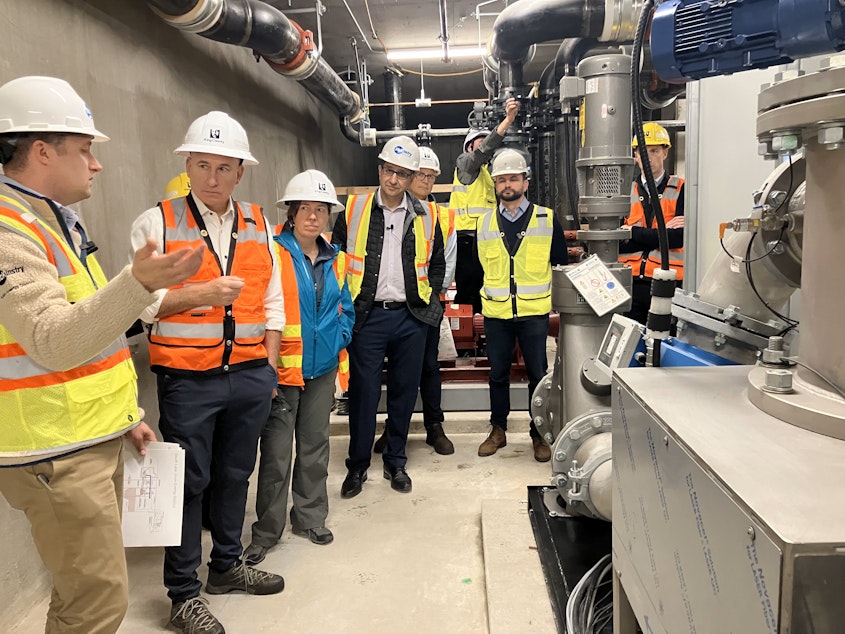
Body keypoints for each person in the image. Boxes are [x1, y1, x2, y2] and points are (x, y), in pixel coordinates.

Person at [0, 75, 203, 633]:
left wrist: (125, 420)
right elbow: (53, 338)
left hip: (85, 436)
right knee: (95, 605)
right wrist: (137, 282)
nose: (97, 165)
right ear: (42, 151)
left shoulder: (55, 223)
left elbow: (96, 331)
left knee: (83, 597)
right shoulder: (7, 229)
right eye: (85, 150)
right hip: (53, 449)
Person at [130, 111, 285, 633]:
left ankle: (226, 565)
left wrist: (267, 359)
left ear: (240, 171)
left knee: (235, 476)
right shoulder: (157, 222)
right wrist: (200, 294)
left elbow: (273, 297)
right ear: (187, 165)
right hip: (188, 381)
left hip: (247, 374)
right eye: (202, 165)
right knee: (188, 484)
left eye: (224, 167)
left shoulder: (259, 222)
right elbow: (139, 305)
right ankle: (182, 594)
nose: (212, 178)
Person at [243, 170, 354, 565]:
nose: (313, 216)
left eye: (320, 209)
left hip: (321, 369)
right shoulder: (271, 252)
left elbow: (347, 308)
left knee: (315, 448)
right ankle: (266, 532)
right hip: (282, 372)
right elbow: (259, 309)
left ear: (328, 215)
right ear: (291, 212)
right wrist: (264, 367)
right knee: (275, 454)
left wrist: (339, 337)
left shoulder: (336, 258)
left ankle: (310, 517)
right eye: (305, 208)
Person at [332, 135, 445, 498]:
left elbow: (438, 264)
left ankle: (396, 461)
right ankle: (358, 466)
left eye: (402, 173)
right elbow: (335, 260)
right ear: (379, 169)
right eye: (389, 171)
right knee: (362, 394)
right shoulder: (353, 210)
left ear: (412, 177)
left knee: (403, 392)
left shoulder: (426, 215)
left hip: (411, 317)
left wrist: (430, 309)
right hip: (367, 317)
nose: (394, 179)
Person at [475, 149, 568, 463]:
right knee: (497, 375)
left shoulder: (547, 218)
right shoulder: (484, 222)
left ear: (526, 182)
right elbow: (478, 268)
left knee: (538, 375)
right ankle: (498, 430)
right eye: (501, 180)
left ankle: (538, 434)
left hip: (533, 313)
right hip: (497, 313)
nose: (507, 185)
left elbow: (561, 265)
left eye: (513, 178)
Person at [373, 146, 456, 456]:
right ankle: (395, 431)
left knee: (429, 366)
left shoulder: (440, 216)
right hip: (395, 307)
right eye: (421, 174)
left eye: (431, 176)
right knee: (396, 371)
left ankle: (434, 425)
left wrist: (430, 299)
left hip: (426, 305)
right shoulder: (385, 211)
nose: (426, 181)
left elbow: (444, 263)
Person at [449, 97, 519, 311]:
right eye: (481, 141)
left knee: (486, 289)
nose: (486, 144)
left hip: (485, 238)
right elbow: (485, 149)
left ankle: (481, 334)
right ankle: (465, 336)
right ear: (469, 147)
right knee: (469, 291)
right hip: (467, 239)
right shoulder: (466, 165)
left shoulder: (488, 175)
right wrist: (507, 121)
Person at [619, 121, 685, 325]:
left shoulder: (681, 189)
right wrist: (660, 234)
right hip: (630, 284)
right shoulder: (624, 191)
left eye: (655, 150)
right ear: (636, 156)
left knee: (664, 343)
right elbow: (618, 241)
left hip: (667, 282)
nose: (648, 157)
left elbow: (678, 238)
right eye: (643, 152)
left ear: (665, 153)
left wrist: (633, 232)